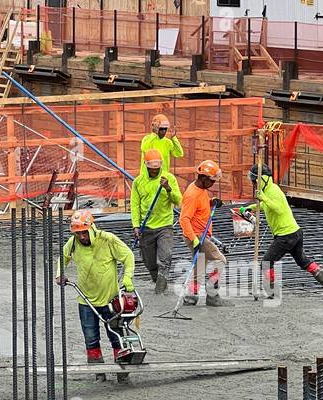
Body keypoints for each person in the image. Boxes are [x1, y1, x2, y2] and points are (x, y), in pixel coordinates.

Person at [56, 209, 136, 380]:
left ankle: (122, 372)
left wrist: (128, 277)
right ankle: (99, 372)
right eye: (78, 234)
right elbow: (62, 257)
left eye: (84, 233)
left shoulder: (107, 240)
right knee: (91, 338)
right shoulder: (73, 243)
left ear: (92, 228)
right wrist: (59, 273)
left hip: (110, 300)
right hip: (86, 300)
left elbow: (128, 255)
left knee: (117, 335)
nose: (82, 237)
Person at [241, 166, 323, 301]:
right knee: (303, 261)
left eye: (255, 181)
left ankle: (272, 292)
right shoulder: (270, 189)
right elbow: (266, 206)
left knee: (266, 262)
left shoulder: (272, 191)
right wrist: (251, 207)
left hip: (286, 235)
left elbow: (278, 209)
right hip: (295, 233)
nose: (254, 184)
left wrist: (263, 198)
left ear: (262, 179)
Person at [130, 150, 181, 294]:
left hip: (165, 225)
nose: (154, 171)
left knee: (165, 257)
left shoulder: (168, 178)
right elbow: (135, 205)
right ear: (146, 166)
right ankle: (157, 279)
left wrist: (168, 189)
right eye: (151, 169)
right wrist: (136, 225)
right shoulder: (138, 182)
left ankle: (160, 289)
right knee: (149, 261)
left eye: (156, 169)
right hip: (146, 227)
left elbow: (178, 201)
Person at [179, 159, 226, 306]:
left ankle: (191, 297)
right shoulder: (192, 195)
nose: (213, 184)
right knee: (220, 260)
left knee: (199, 266)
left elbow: (201, 205)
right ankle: (212, 292)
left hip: (200, 234)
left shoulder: (200, 190)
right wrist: (194, 240)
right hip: (197, 235)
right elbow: (184, 219)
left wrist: (211, 202)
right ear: (203, 178)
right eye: (211, 181)